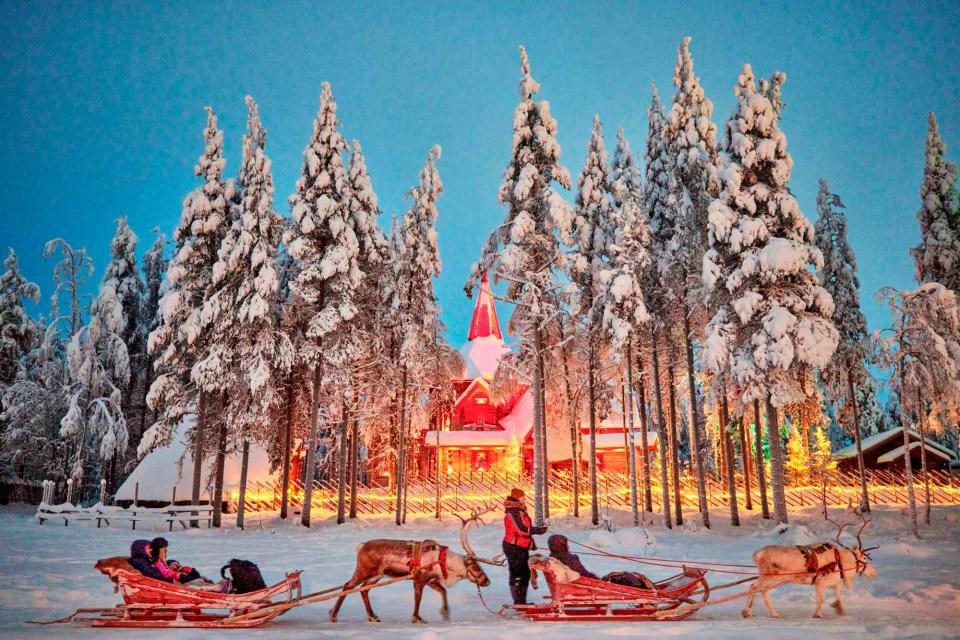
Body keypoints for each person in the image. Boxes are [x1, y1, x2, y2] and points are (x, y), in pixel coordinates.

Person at [502, 488, 547, 605]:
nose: (524, 498)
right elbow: (520, 529)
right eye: (522, 496)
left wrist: (536, 530)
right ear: (517, 497)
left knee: (525, 573)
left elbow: (525, 527)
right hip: (513, 547)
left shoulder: (519, 510)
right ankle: (518, 602)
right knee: (517, 573)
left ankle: (522, 601)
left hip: (521, 546)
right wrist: (536, 530)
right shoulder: (511, 512)